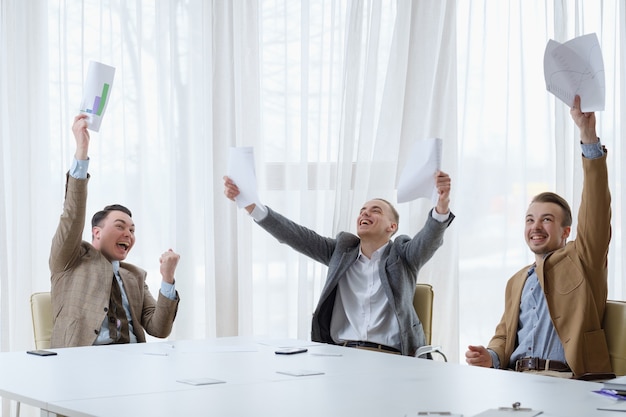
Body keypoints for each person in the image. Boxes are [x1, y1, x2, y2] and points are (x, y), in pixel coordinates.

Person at [223, 170, 454, 356]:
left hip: (392, 359)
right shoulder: (340, 251)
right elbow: (295, 234)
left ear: (391, 227)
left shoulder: (404, 256)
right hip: (341, 357)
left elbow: (429, 240)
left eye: (376, 211)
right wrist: (251, 205)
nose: (366, 213)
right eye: (363, 210)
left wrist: (441, 205)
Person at [465, 95, 612, 378]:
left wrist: (589, 138)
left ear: (565, 231)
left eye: (547, 220)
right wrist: (490, 357)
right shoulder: (517, 281)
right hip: (514, 380)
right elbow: (504, 337)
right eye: (530, 220)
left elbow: (596, 212)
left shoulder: (583, 260)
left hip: (567, 380)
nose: (536, 226)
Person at [49, 114, 181, 348]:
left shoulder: (136, 276)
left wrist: (167, 278)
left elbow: (159, 329)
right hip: (82, 364)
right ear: (96, 233)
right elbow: (72, 215)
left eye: (132, 230)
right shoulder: (70, 260)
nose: (128, 234)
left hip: (132, 362)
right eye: (120, 226)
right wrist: (82, 151)